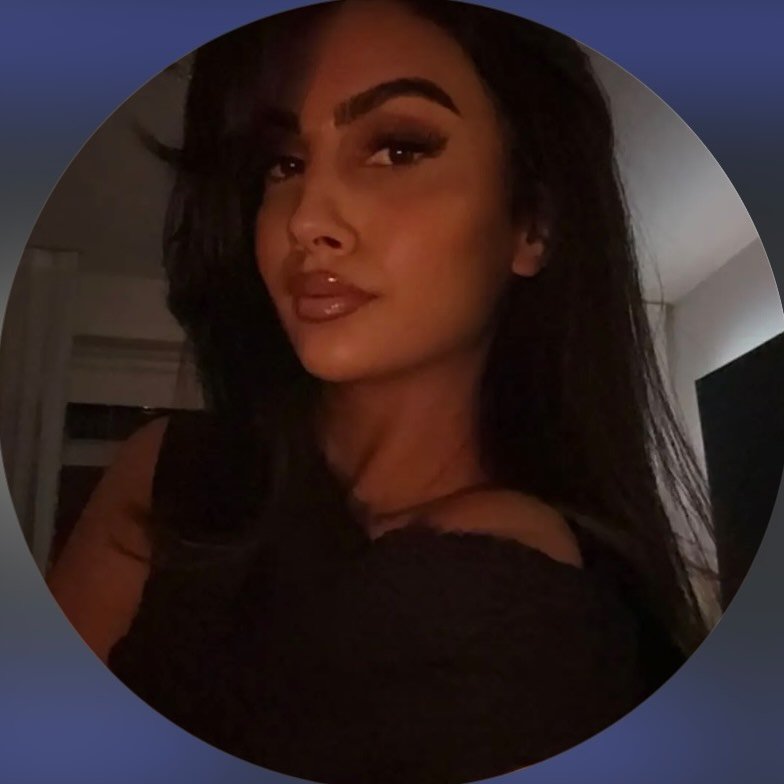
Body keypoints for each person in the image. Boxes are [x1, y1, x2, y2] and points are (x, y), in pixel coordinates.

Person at [47, 1, 718, 781]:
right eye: (282, 164)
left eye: (398, 149)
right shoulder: (166, 470)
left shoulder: (516, 599)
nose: (307, 219)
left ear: (531, 223)